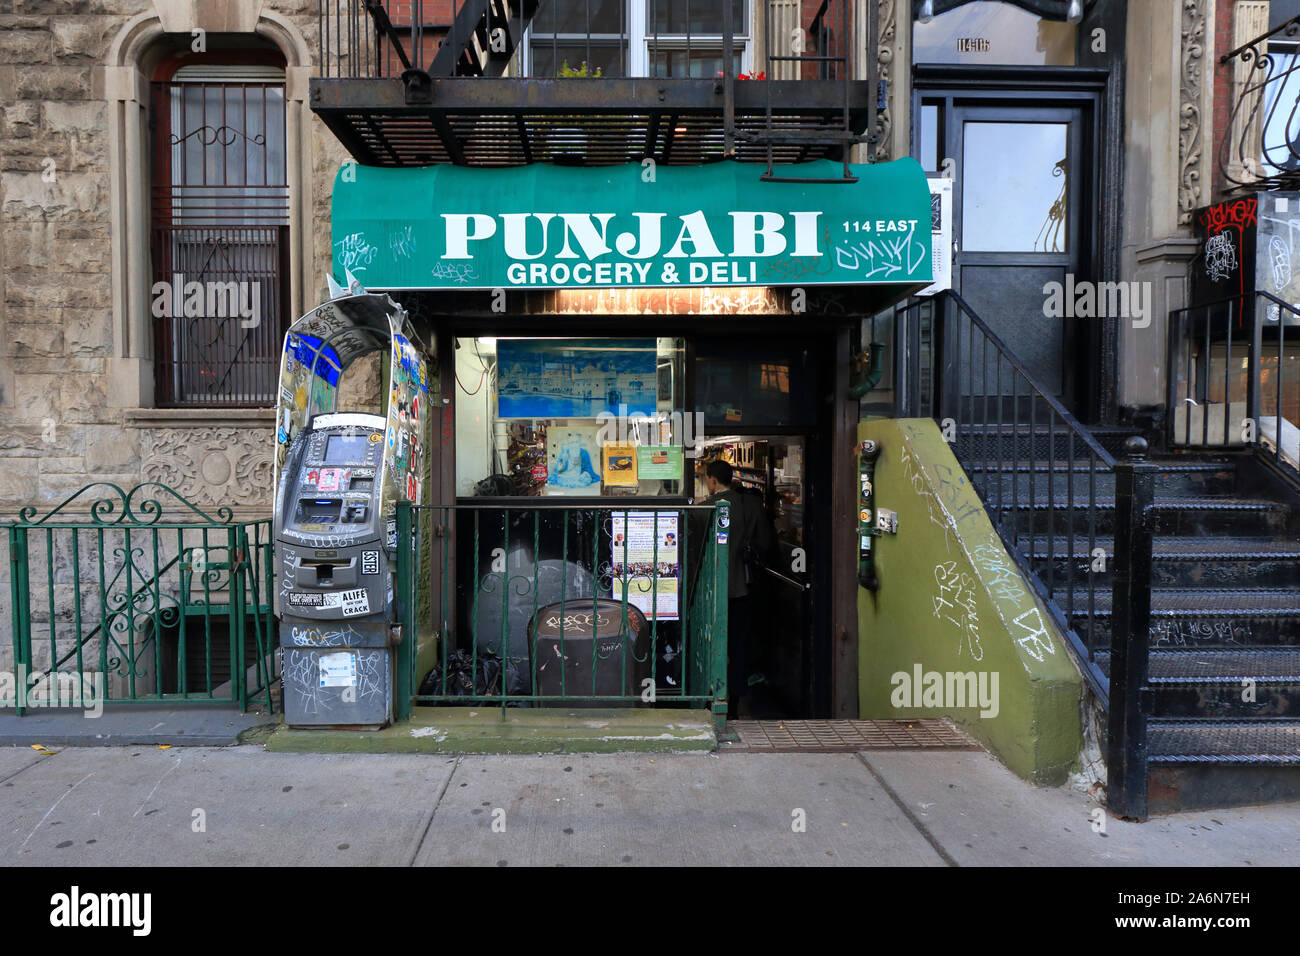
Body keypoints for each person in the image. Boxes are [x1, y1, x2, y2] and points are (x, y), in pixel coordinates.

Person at [697, 459, 775, 718]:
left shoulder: (705, 508)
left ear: (711, 480)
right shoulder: (751, 504)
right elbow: (765, 543)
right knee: (738, 646)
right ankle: (736, 704)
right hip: (743, 588)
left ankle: (711, 699)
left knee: (710, 645)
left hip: (711, 593)